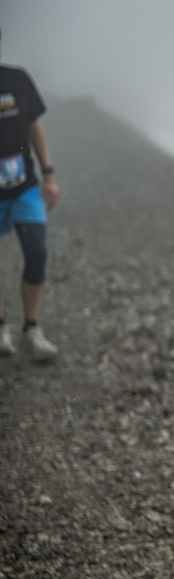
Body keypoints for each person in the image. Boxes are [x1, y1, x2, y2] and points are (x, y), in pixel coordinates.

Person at [0, 28, 60, 362]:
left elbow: (34, 127)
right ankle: (1, 329)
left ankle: (32, 330)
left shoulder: (17, 79)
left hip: (24, 189)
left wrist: (49, 174)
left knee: (36, 253)